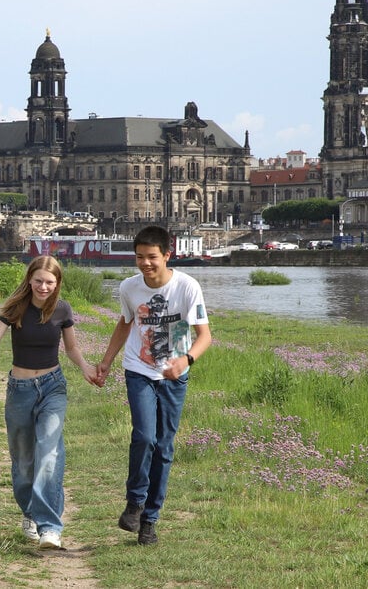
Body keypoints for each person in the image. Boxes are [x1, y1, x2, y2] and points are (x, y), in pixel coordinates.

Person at [0, 255, 102, 550]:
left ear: (57, 283)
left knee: (48, 451)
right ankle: (30, 513)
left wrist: (86, 368)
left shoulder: (62, 310)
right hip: (20, 389)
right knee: (23, 462)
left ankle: (50, 528)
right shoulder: (16, 308)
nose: (43, 287)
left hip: (52, 386)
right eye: (38, 281)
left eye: (49, 282)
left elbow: (71, 347)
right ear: (29, 280)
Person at [96, 225, 211, 546]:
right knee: (144, 436)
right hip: (138, 369)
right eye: (139, 257)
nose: (145, 264)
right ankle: (134, 501)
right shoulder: (129, 288)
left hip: (175, 374)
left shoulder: (187, 287)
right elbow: (125, 323)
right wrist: (106, 361)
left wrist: (184, 360)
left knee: (164, 446)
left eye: (151, 257)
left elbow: (205, 336)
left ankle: (150, 519)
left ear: (167, 256)